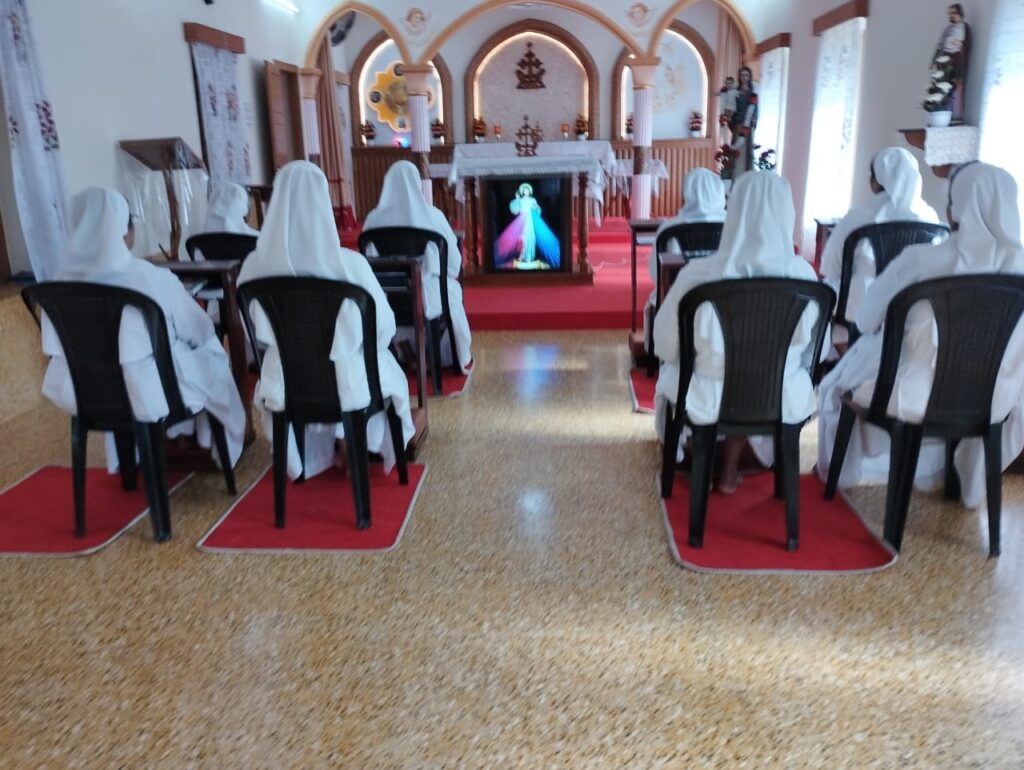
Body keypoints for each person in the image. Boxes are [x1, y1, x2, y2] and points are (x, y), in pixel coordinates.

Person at [816, 163, 1024, 507]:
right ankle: (950, 474)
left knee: (836, 386)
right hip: (994, 397)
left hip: (913, 394)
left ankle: (838, 474)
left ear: (956, 207)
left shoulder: (919, 260)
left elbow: (865, 320)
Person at [41, 188, 246, 472]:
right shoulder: (149, 277)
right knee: (209, 358)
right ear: (125, 232)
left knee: (166, 361)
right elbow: (197, 329)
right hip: (150, 393)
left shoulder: (58, 283)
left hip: (85, 393)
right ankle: (201, 438)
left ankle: (167, 440)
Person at [238, 161, 415, 480]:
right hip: (347, 382)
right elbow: (383, 327)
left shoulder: (253, 266)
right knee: (374, 367)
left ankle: (324, 446)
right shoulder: (351, 265)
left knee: (314, 364)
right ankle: (352, 439)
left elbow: (250, 326)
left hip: (286, 380)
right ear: (324, 204)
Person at [653, 172, 820, 493]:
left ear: (734, 211)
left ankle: (696, 453)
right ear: (788, 212)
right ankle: (731, 468)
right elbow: (818, 348)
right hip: (779, 393)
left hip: (707, 393)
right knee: (758, 378)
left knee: (679, 373)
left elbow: (665, 343)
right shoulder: (803, 275)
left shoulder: (698, 275)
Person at [820, 147, 940, 347]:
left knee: (823, 291)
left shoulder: (860, 215)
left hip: (860, 306)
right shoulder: (931, 217)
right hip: (911, 305)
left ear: (877, 180)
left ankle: (843, 352)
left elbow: (831, 266)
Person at [362, 160, 472, 372]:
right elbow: (453, 264)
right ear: (417, 185)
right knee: (449, 294)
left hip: (389, 293)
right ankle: (429, 355)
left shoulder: (373, 219)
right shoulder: (434, 216)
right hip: (427, 293)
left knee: (387, 297)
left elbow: (368, 262)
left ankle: (408, 352)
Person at [645, 168, 727, 345]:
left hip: (679, 296)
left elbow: (655, 272)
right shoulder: (733, 225)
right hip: (725, 296)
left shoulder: (669, 227)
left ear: (687, 192)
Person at [496, 182, 560, 270]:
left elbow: (538, 210)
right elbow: (514, 210)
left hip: (530, 222)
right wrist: (517, 199)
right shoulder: (520, 200)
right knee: (523, 238)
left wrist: (535, 208)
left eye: (527, 190)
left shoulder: (532, 200)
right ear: (522, 192)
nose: (526, 191)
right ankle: (523, 256)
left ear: (530, 192)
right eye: (524, 190)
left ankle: (530, 256)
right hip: (522, 222)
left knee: (531, 238)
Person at [728, 66, 758, 176]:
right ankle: (736, 176)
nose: (744, 77)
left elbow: (756, 110)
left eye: (746, 75)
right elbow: (730, 108)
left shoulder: (753, 92)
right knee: (738, 152)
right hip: (738, 124)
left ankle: (748, 177)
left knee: (748, 152)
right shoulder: (735, 91)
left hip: (748, 126)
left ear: (750, 77)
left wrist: (753, 123)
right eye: (742, 75)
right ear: (739, 77)